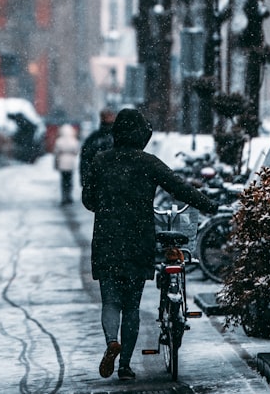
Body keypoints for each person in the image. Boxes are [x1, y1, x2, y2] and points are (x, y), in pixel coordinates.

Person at [82, 107, 218, 381]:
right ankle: (125, 367)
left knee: (110, 301)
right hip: (138, 239)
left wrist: (106, 205)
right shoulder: (148, 163)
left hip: (107, 239)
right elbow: (179, 188)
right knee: (132, 306)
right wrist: (208, 205)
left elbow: (88, 200)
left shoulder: (100, 161)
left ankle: (111, 341)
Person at [79, 108, 116, 187]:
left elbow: (85, 160)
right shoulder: (119, 137)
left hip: (98, 182)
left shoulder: (93, 138)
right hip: (113, 183)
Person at [52, 124, 80, 205]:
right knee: (70, 181)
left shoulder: (59, 141)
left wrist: (56, 164)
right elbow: (76, 151)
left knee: (63, 181)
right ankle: (69, 196)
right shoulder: (74, 140)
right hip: (70, 163)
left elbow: (56, 153)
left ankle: (64, 197)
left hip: (62, 163)